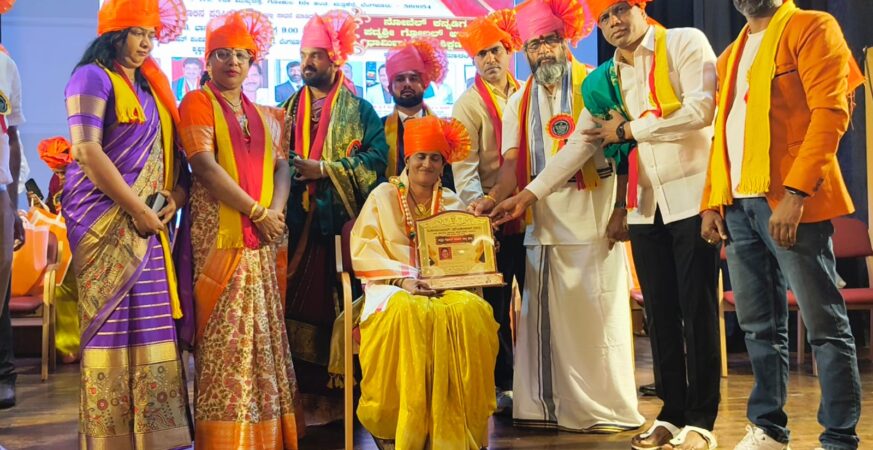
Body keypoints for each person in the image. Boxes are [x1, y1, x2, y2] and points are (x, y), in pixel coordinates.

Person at [699, 1, 864, 449]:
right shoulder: (730, 54)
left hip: (792, 202)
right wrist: (712, 201)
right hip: (738, 205)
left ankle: (839, 438)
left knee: (824, 326)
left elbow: (830, 112)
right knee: (758, 328)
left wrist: (796, 193)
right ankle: (769, 430)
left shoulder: (812, 26)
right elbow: (721, 133)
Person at [483, 0, 644, 433]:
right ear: (525, 52)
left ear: (566, 39)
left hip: (595, 217)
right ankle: (544, 408)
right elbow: (510, 165)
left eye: (550, 41)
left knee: (596, 317)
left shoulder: (595, 84)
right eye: (534, 45)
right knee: (546, 322)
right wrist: (493, 199)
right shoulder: (518, 100)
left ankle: (604, 410)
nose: (544, 52)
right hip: (543, 221)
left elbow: (614, 151)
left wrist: (621, 208)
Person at [569, 1, 720, 448]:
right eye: (604, 17)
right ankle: (672, 412)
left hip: (692, 197)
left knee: (696, 309)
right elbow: (584, 143)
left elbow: (701, 110)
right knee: (659, 313)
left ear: (641, 8)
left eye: (621, 10)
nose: (614, 22)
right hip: (644, 205)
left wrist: (631, 130)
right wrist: (528, 195)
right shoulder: (608, 78)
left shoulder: (684, 42)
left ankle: (702, 420)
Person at [63, 0, 192, 446]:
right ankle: (112, 439)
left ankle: (157, 437)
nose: (146, 43)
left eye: (152, 35)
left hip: (150, 223)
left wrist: (173, 199)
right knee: (113, 327)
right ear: (113, 33)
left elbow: (173, 161)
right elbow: (86, 151)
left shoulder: (153, 87)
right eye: (137, 32)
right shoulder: (91, 77)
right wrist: (137, 209)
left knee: (151, 323)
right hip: (104, 222)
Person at [177, 9, 302, 449]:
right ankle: (226, 439)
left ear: (252, 63)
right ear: (208, 60)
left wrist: (275, 213)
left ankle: (264, 434)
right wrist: (256, 211)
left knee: (262, 335)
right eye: (223, 54)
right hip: (219, 239)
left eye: (241, 56)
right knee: (225, 338)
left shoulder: (269, 116)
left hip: (263, 239)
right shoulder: (197, 104)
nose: (232, 62)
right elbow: (203, 166)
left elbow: (282, 165)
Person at [351, 115, 499, 450]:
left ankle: (458, 425)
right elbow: (363, 249)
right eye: (421, 156)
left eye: (435, 158)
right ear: (407, 159)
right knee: (408, 311)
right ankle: (397, 424)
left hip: (446, 287)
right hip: (391, 285)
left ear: (444, 164)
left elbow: (466, 255)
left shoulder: (452, 202)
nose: (427, 164)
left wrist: (483, 249)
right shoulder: (382, 196)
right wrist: (403, 280)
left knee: (472, 310)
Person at [282, 9, 387, 425]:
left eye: (316, 56)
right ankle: (300, 400)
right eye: (303, 55)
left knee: (335, 308)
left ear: (335, 59)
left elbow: (377, 160)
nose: (307, 63)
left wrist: (325, 169)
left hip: (339, 227)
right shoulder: (285, 110)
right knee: (294, 308)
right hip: (293, 225)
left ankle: (339, 400)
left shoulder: (361, 111)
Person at [452, 8, 524, 415]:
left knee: (538, 300)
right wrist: (481, 218)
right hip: (493, 220)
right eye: (481, 54)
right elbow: (464, 171)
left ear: (509, 51)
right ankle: (505, 384)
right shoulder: (468, 104)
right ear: (474, 61)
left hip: (533, 214)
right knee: (495, 307)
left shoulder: (526, 91)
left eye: (496, 50)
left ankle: (539, 380)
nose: (490, 59)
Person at [382, 39, 454, 190]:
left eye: (413, 78)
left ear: (425, 84)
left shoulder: (443, 129)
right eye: (400, 79)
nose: (407, 83)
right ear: (390, 88)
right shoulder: (378, 128)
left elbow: (451, 176)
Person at [35, 137, 81, 364]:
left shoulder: (84, 173)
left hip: (86, 240)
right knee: (61, 290)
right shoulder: (55, 180)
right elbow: (53, 208)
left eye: (62, 171)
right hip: (65, 244)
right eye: (56, 172)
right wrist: (41, 207)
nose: (60, 175)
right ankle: (68, 347)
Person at [0, 0, 25, 410]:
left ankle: (4, 374)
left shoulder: (6, 66)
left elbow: (13, 136)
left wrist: (14, 203)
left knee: (0, 290)